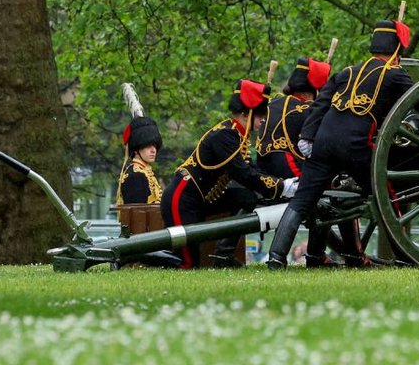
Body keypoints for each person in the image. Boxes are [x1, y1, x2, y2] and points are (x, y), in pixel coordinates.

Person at [267, 19, 416, 269]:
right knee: (386, 194)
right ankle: (405, 256)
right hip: (356, 146)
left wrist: (307, 137)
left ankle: (275, 258)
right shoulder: (395, 73)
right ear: (397, 51)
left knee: (302, 200)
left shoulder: (346, 72)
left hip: (323, 143)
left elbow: (321, 105)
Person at [160, 79, 298, 268]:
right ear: (246, 113)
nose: (263, 120)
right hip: (182, 198)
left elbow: (252, 169)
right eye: (259, 116)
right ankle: (134, 257)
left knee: (246, 198)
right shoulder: (225, 135)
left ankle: (223, 254)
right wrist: (281, 187)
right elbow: (243, 173)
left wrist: (280, 182)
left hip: (202, 199)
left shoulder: (238, 135)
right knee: (186, 263)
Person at [258, 56, 356, 267]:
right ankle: (317, 255)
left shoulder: (274, 103)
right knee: (331, 197)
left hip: (264, 172)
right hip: (288, 170)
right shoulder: (307, 110)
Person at [116, 115, 164, 206]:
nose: (153, 150)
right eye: (148, 146)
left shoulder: (145, 172)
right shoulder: (135, 176)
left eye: (154, 146)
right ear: (136, 149)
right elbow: (138, 215)